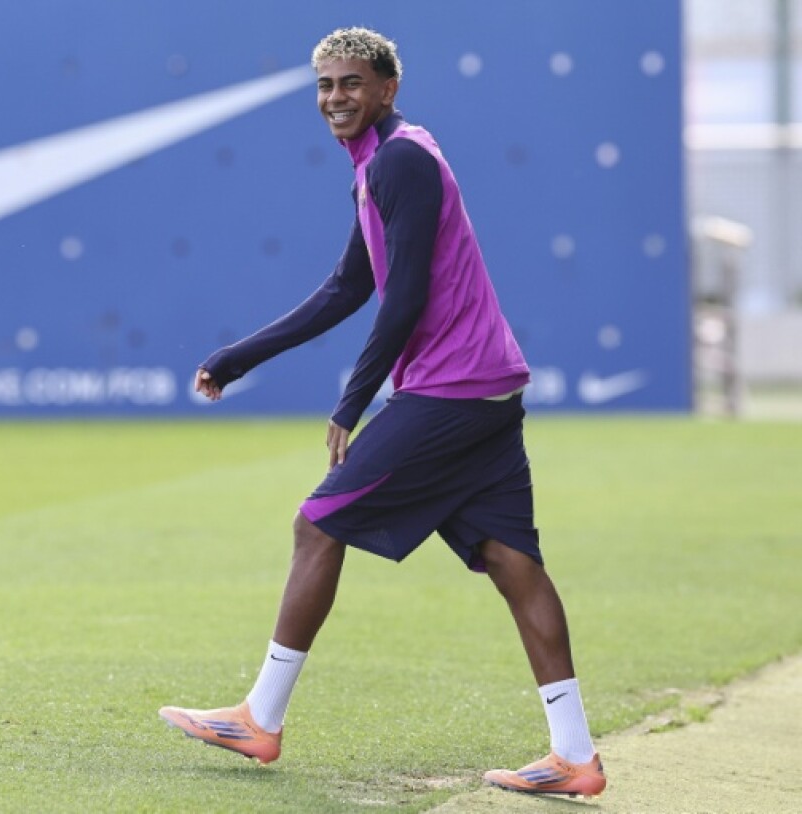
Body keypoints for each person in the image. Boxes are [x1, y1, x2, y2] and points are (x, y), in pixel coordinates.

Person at [158, 27, 606, 799]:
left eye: (352, 83)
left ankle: (259, 717)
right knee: (512, 563)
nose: (336, 97)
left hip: (452, 390)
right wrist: (241, 356)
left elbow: (406, 297)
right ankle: (576, 758)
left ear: (388, 88)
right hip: (485, 387)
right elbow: (347, 287)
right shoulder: (380, 161)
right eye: (326, 84)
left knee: (317, 522)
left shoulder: (402, 159)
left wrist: (352, 402)